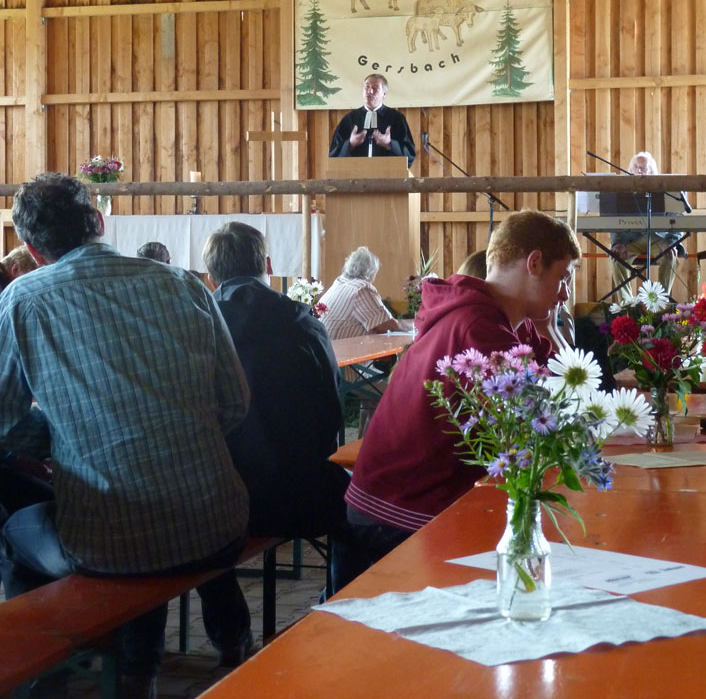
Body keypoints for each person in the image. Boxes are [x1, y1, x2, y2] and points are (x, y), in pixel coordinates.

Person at [0, 173, 252, 699]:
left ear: (30, 249)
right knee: (156, 500)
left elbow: (2, 424)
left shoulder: (22, 299)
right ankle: (227, 644)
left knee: (18, 530)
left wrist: (57, 433)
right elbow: (235, 402)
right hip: (218, 525)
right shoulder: (182, 282)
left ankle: (54, 671)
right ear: (99, 222)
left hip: (107, 547)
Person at [341, 210, 580, 581]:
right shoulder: (478, 326)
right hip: (397, 509)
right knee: (540, 559)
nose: (565, 294)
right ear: (534, 263)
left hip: (399, 497)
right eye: (562, 278)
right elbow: (545, 415)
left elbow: (560, 388)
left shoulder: (506, 322)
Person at [202, 221, 348, 540]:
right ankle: (339, 589)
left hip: (218, 500)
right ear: (268, 265)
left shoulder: (198, 332)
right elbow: (332, 415)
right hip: (300, 495)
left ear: (211, 279)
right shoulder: (304, 326)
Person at [609, 151, 681, 298]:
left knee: (670, 256)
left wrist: (670, 243)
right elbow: (613, 220)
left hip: (657, 238)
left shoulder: (665, 190)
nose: (640, 171)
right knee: (615, 259)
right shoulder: (622, 192)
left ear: (652, 172)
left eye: (644, 168)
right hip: (630, 240)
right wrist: (617, 243)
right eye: (636, 167)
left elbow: (677, 219)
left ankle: (660, 302)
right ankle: (627, 304)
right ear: (630, 171)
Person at [320, 246, 412, 340]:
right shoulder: (361, 289)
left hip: (326, 350)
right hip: (342, 353)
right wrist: (417, 324)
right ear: (372, 272)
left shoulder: (339, 282)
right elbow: (388, 326)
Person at [328, 72, 416, 168]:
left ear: (384, 94)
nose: (370, 91)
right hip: (355, 177)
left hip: (388, 176)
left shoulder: (396, 119)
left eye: (375, 88)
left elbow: (410, 155)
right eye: (367, 87)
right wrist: (350, 144)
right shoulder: (350, 119)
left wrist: (390, 144)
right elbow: (333, 156)